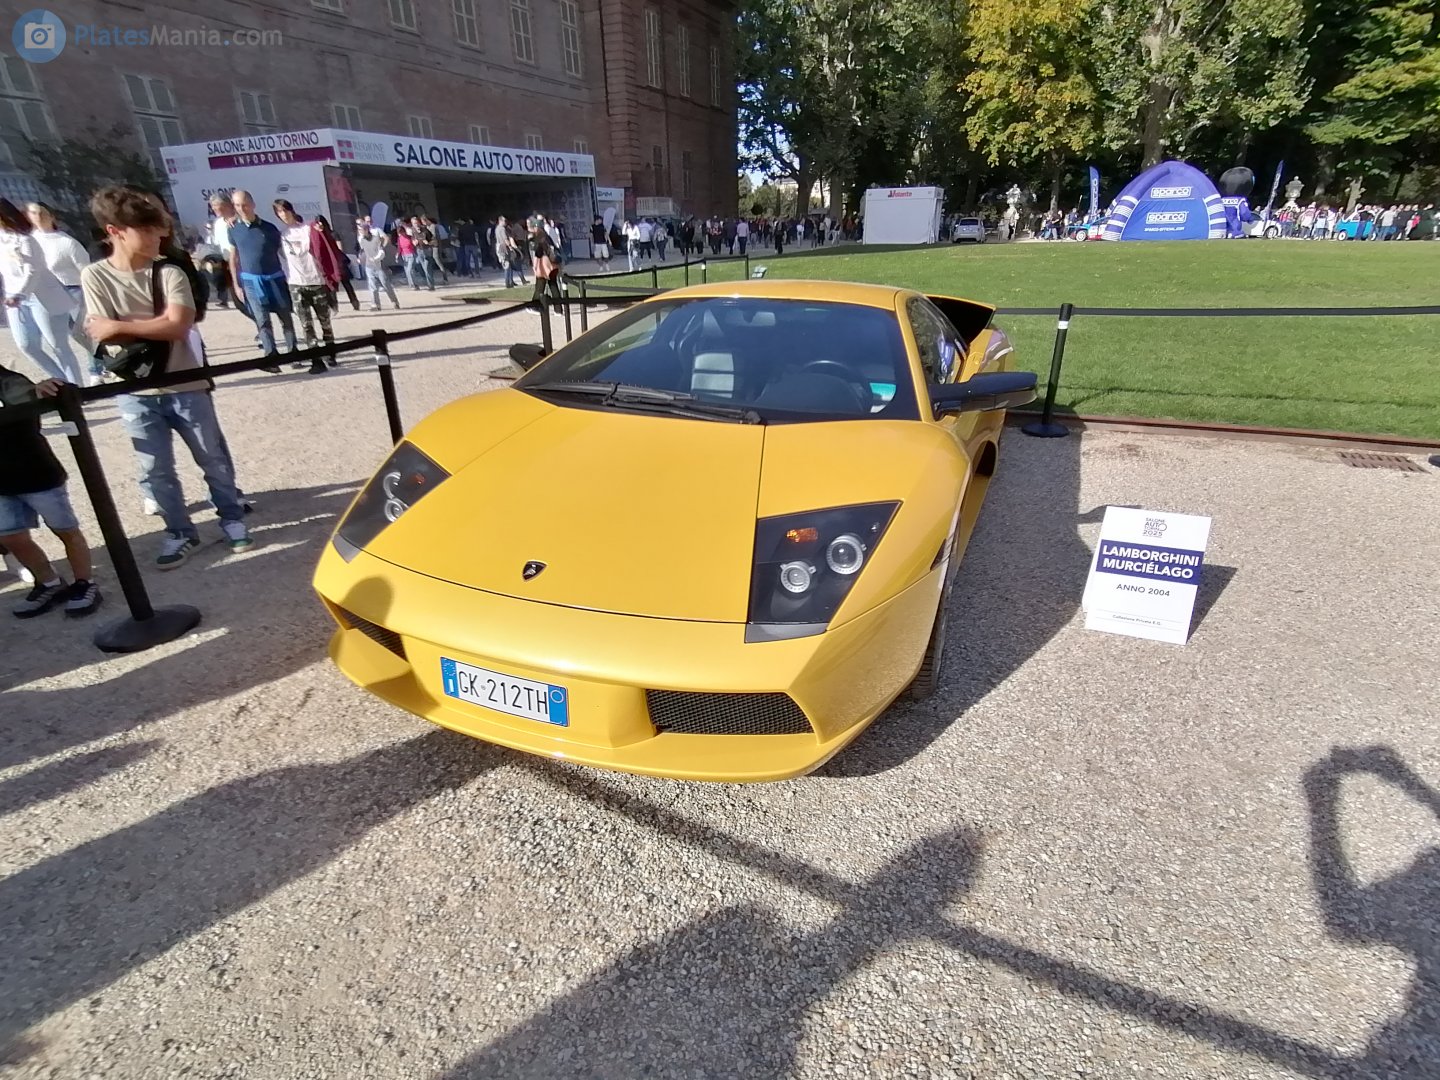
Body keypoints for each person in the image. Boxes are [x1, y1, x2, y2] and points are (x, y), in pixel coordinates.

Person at [81, 185, 254, 568]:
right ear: (115, 231)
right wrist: (145, 325)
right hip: (135, 389)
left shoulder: (170, 269)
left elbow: (179, 325)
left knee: (212, 458)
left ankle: (232, 519)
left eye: (157, 228)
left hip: (186, 382)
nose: (158, 236)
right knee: (154, 468)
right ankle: (179, 532)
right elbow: (98, 331)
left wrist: (120, 325)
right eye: (146, 229)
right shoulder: (95, 275)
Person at [0, 363, 102, 616]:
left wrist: (41, 390)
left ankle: (84, 582)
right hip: (1, 483)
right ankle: (48, 582)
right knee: (11, 537)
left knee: (65, 530)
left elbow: (26, 392)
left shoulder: (6, 379)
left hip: (36, 474)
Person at [0, 198, 83, 386]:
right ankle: (62, 382)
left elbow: (33, 270)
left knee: (58, 345)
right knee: (26, 345)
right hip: (14, 300)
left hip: (42, 297)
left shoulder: (25, 239)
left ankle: (76, 388)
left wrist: (20, 294)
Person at [226, 189, 297, 361]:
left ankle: (294, 353)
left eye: (244, 204)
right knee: (262, 319)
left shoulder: (270, 229)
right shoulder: (233, 229)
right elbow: (233, 258)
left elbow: (283, 253)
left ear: (253, 204)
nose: (241, 209)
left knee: (285, 316)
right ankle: (270, 356)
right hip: (250, 281)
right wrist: (236, 285)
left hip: (275, 278)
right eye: (237, 205)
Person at [273, 199, 339, 374]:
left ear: (292, 210)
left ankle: (330, 351)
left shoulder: (307, 229)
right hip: (296, 283)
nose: (283, 214)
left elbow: (323, 242)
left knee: (325, 321)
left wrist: (320, 229)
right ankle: (316, 358)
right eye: (279, 212)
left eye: (284, 210)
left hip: (316, 281)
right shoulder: (280, 235)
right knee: (306, 324)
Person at [312, 214, 360, 311]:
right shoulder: (328, 234)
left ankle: (340, 305)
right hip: (335, 261)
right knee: (341, 284)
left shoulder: (330, 234)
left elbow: (338, 248)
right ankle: (352, 302)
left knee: (337, 284)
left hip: (335, 261)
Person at [357, 220, 401, 310]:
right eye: (359, 230)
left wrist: (375, 258)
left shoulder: (376, 239)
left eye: (361, 230)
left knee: (386, 285)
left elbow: (381, 252)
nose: (360, 232)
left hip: (379, 266)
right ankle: (375, 305)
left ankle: (394, 301)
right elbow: (362, 250)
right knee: (372, 286)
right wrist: (360, 257)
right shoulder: (362, 240)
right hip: (369, 266)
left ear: (366, 230)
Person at [528, 216, 562, 309]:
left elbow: (538, 254)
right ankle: (558, 309)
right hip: (553, 264)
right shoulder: (547, 237)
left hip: (544, 267)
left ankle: (534, 306)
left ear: (536, 227)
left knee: (539, 287)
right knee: (553, 286)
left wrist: (534, 266)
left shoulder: (539, 238)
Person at [494, 216, 528, 288]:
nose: (506, 222)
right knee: (507, 266)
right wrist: (510, 247)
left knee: (508, 265)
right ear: (500, 221)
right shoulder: (502, 229)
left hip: (499, 247)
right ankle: (508, 283)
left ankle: (510, 281)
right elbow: (505, 239)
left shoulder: (497, 228)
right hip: (504, 248)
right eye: (504, 221)